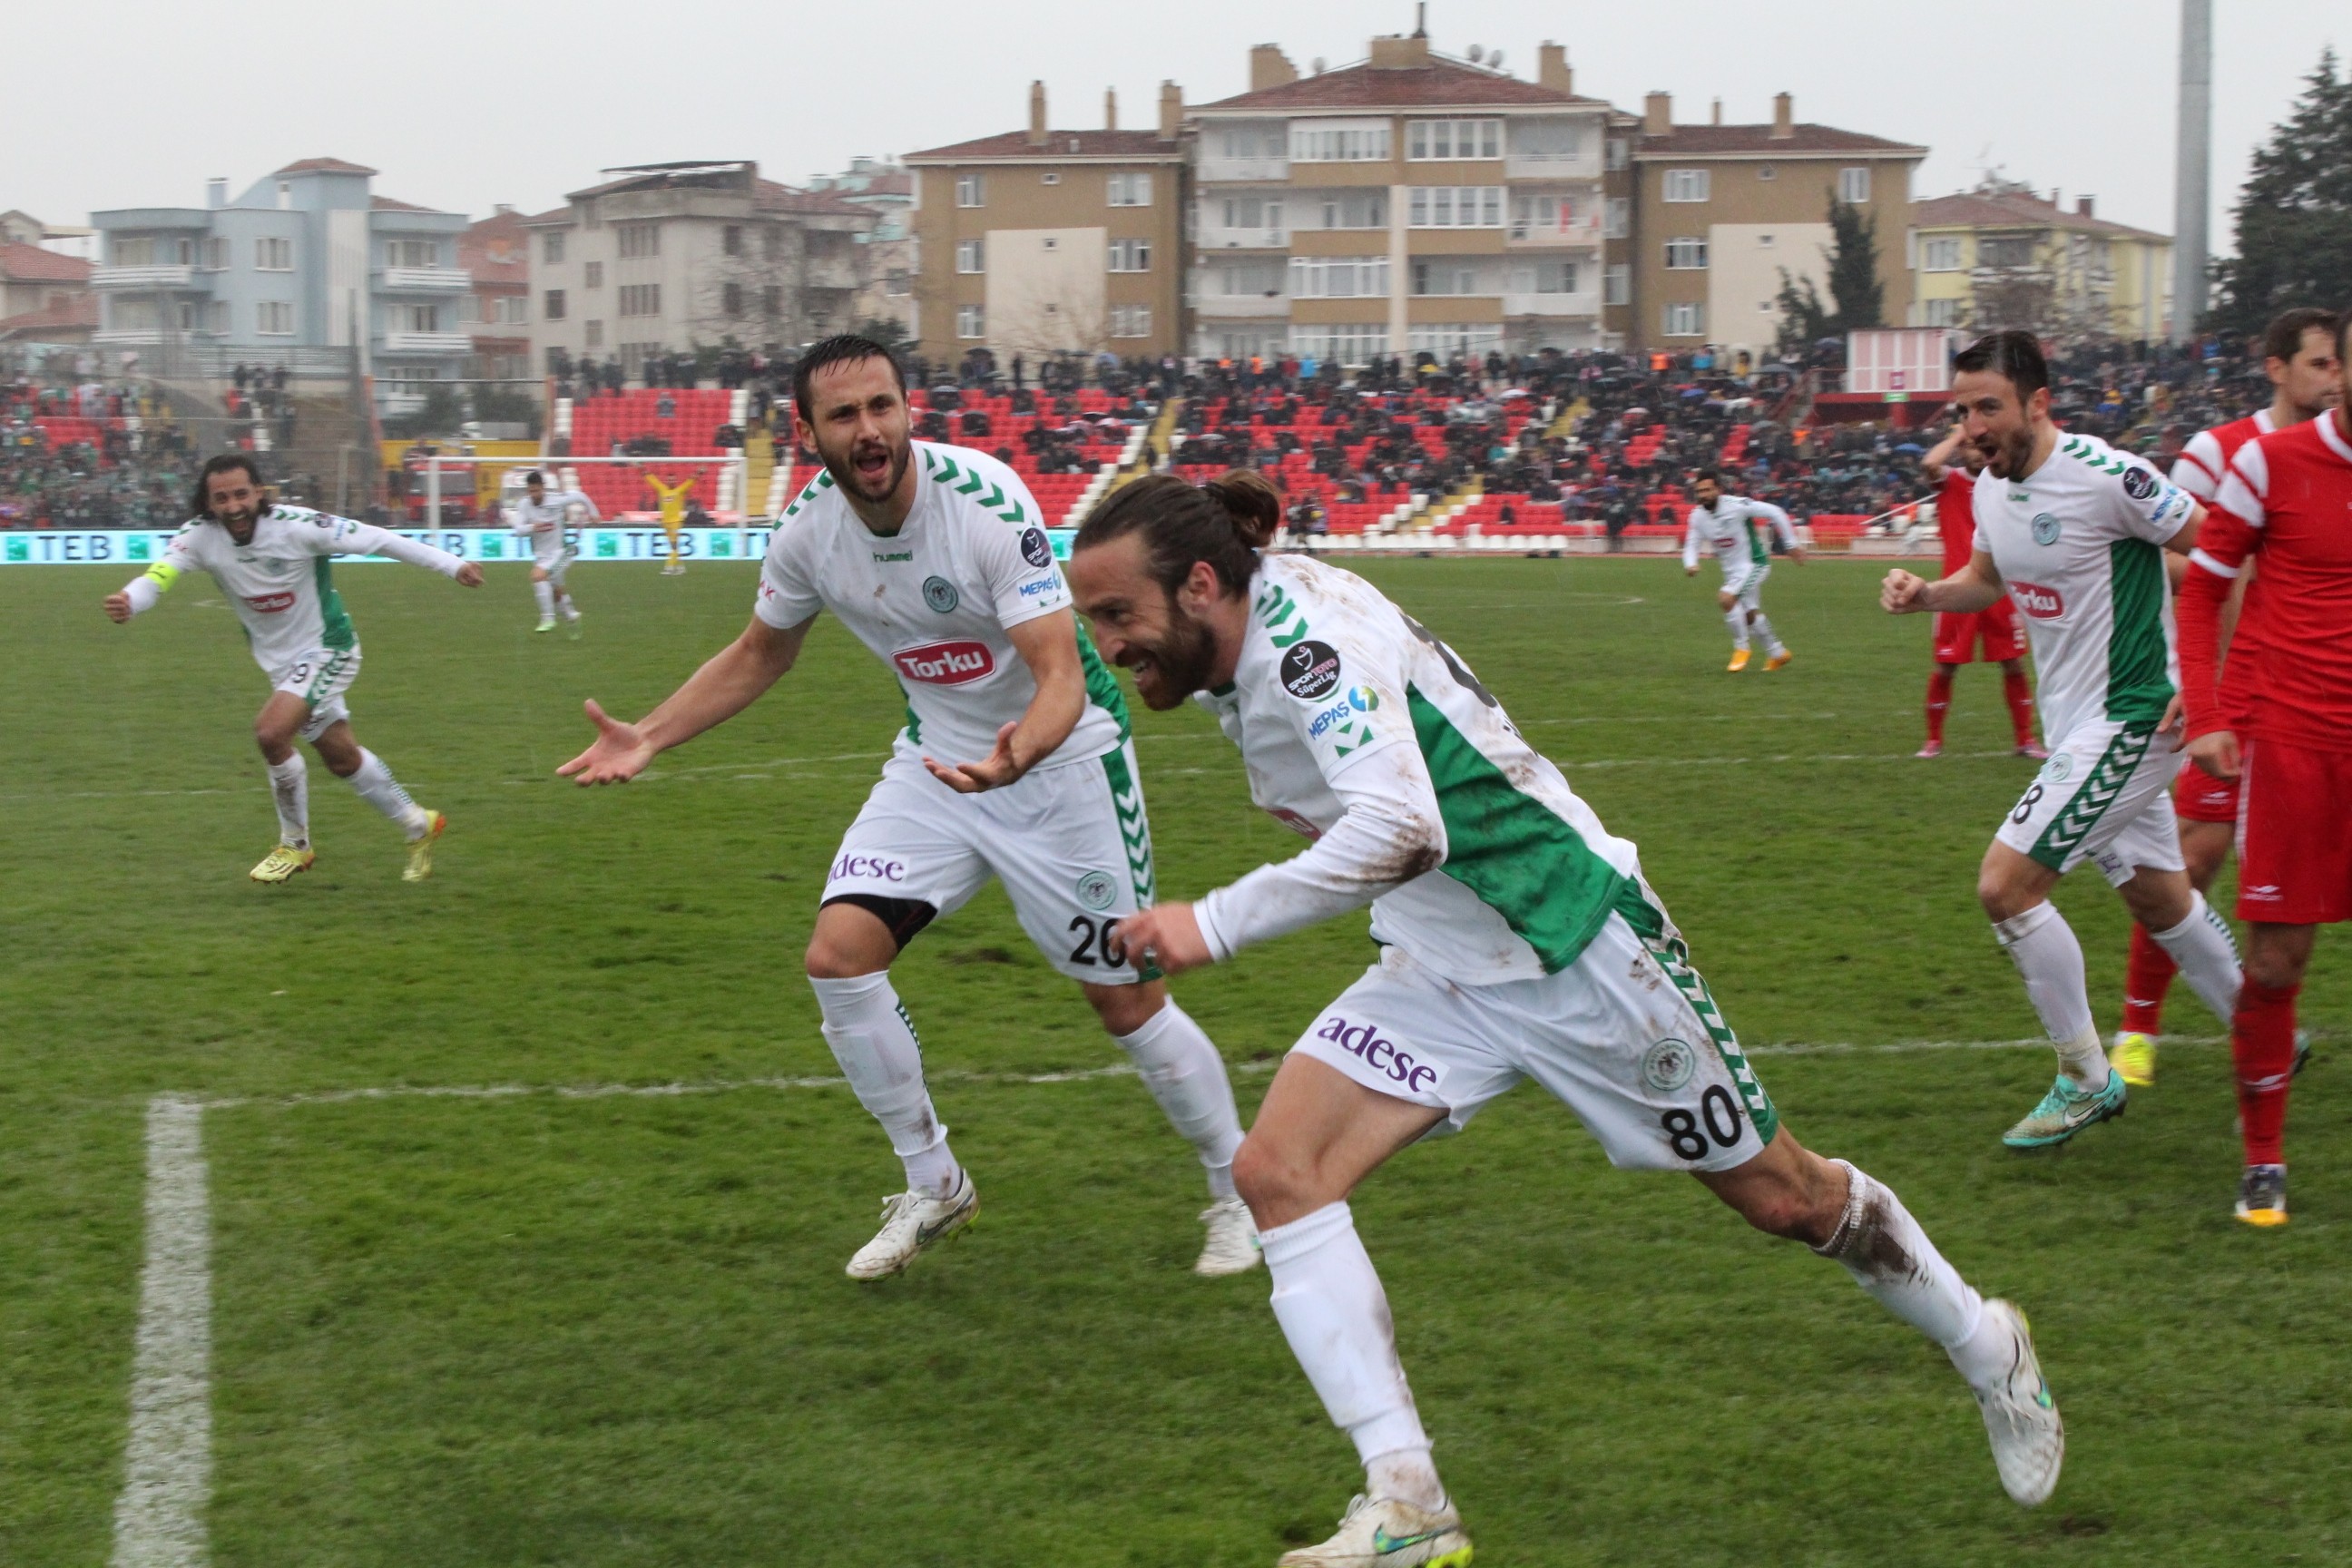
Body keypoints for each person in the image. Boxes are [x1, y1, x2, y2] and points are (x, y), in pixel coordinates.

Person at [1073, 473, 2063, 1568]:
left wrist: (1211, 922)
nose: (1110, 643)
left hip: (1575, 943)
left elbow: (1402, 829)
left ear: (1202, 584)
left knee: (1788, 1200)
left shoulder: (1311, 651)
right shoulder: (1249, 629)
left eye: (1119, 616)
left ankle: (1988, 1345)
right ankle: (1409, 1503)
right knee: (1277, 1173)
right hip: (1444, 963)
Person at [556, 335, 1255, 1280]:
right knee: (838, 959)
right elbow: (762, 652)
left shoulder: (984, 504)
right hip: (934, 768)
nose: (870, 429)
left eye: (882, 406)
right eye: (845, 416)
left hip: (1063, 769)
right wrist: (650, 734)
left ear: (906, 411)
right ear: (807, 433)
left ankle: (1240, 1189)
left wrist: (1021, 753)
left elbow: (1062, 675)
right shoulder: (807, 532)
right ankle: (936, 1183)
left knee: (1123, 1000)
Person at [1879, 331, 2240, 1149]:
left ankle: (2084, 1076)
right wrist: (1926, 592)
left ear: (2039, 403)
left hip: (2137, 714)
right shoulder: (1989, 486)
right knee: (2158, 895)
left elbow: (2224, 554)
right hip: (2078, 722)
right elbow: (1989, 578)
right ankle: (2266, 1032)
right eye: (1962, 409)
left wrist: (2220, 695)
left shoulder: (2112, 478)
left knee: (2006, 887)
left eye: (1989, 408)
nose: (1972, 426)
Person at [2112, 307, 2340, 1088]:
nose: (2328, 376)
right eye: (2316, 363)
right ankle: (2137, 1029)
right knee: (2195, 859)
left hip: (2312, 704)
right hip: (2239, 697)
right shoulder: (2222, 452)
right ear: (2278, 368)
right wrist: (2195, 686)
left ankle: (2263, 1026)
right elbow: (2184, 567)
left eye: (2331, 362)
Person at [2175, 305, 2352, 1227]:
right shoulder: (2269, 464)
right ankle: (2263, 1160)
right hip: (2296, 749)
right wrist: (2208, 714)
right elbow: (2203, 588)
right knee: (2279, 965)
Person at [101, 454, 481, 883]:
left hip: (328, 649)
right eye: (221, 498)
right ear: (207, 502)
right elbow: (160, 575)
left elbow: (379, 540)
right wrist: (132, 600)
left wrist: (452, 565)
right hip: (282, 666)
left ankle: (295, 845)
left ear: (259, 492)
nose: (233, 506)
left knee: (270, 732)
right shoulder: (200, 537)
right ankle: (419, 824)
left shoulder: (299, 526)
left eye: (241, 494)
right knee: (342, 759)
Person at [1915, 423, 2043, 760]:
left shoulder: (2003, 483)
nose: (1976, 451)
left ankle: (2025, 739)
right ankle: (1933, 740)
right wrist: (1958, 434)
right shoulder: (1950, 480)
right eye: (1969, 446)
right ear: (1961, 450)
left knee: (2014, 663)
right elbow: (1929, 464)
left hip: (2001, 586)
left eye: (1979, 444)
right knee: (1946, 665)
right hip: (1957, 587)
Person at [1681, 470, 1803, 671]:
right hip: (1732, 571)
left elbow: (1776, 512)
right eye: (1699, 491)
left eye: (1707, 490)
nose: (1703, 495)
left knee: (1726, 599)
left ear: (1719, 489)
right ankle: (1778, 653)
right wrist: (1690, 563)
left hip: (1754, 564)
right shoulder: (1697, 516)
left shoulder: (1738, 506)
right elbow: (1691, 543)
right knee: (1749, 615)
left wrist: (1791, 544)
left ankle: (1741, 648)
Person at [507, 469, 599, 632]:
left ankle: (548, 618)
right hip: (541, 555)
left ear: (543, 487)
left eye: (536, 490)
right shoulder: (524, 505)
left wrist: (593, 513)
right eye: (530, 491)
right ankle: (570, 614)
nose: (533, 494)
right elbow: (518, 529)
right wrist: (532, 527)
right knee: (556, 590)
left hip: (561, 552)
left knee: (537, 576)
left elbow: (580, 497)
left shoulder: (556, 500)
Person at [642, 471, 696, 576]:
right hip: (666, 522)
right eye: (669, 479)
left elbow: (690, 482)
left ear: (676, 480)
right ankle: (681, 568)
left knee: (674, 546)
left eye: (673, 479)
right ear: (667, 481)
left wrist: (699, 473)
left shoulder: (680, 490)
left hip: (676, 522)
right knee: (673, 547)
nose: (671, 481)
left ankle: (669, 568)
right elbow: (651, 479)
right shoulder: (662, 489)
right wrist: (641, 467)